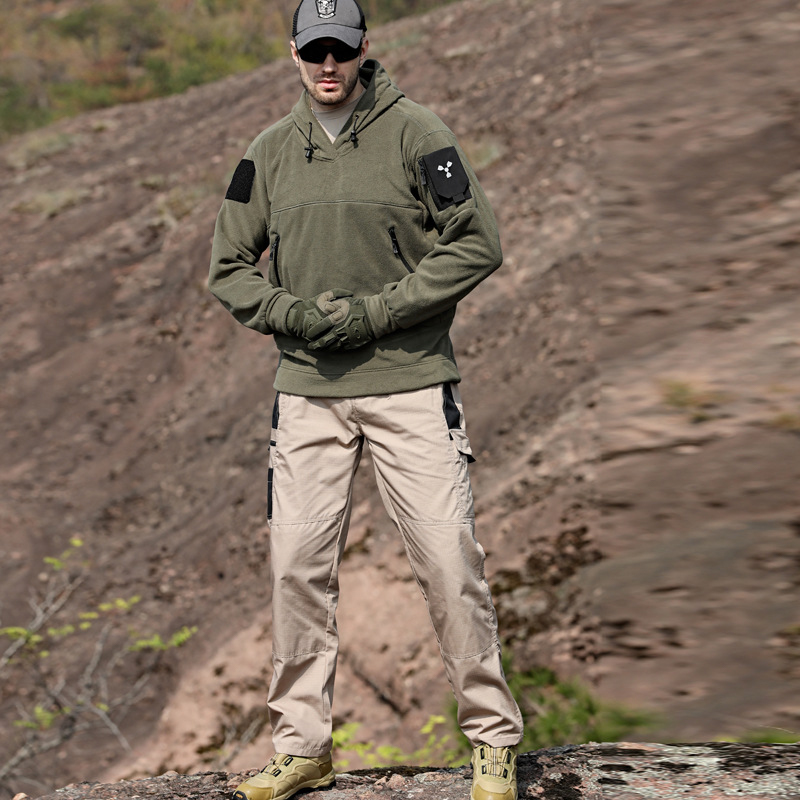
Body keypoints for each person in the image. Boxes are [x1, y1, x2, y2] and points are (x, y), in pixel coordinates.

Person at [208, 1, 524, 799]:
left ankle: (491, 740)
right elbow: (229, 266)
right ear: (291, 52)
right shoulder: (269, 153)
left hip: (412, 382)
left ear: (363, 50)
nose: (327, 66)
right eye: (313, 51)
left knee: (450, 560)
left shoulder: (419, 133)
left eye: (339, 51)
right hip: (308, 393)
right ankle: (304, 747)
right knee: (296, 570)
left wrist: (379, 313)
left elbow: (477, 242)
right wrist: (295, 317)